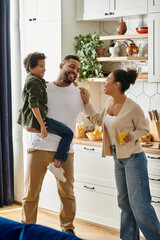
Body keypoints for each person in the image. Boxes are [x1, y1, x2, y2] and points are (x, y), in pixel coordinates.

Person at [80, 69, 160, 240]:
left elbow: (144, 129)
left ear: (117, 84)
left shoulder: (133, 107)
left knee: (140, 205)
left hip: (134, 158)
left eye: (107, 79)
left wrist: (133, 135)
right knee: (124, 203)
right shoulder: (109, 102)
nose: (104, 82)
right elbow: (98, 120)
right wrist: (87, 102)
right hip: (118, 158)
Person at [21, 55, 87, 235]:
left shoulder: (79, 93)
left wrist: (87, 99)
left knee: (67, 194)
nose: (74, 71)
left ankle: (68, 229)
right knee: (31, 194)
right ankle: (27, 230)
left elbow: (92, 116)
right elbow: (28, 108)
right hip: (39, 147)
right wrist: (28, 125)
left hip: (65, 151)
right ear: (61, 65)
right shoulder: (44, 87)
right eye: (71, 66)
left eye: (77, 69)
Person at [17, 52, 76, 182]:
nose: (44, 69)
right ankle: (56, 165)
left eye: (44, 66)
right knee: (68, 133)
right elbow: (34, 104)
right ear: (31, 68)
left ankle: (56, 164)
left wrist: (73, 85)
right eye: (41, 66)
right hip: (37, 121)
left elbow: (44, 87)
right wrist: (42, 125)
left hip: (34, 121)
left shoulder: (35, 80)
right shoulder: (34, 82)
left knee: (66, 133)